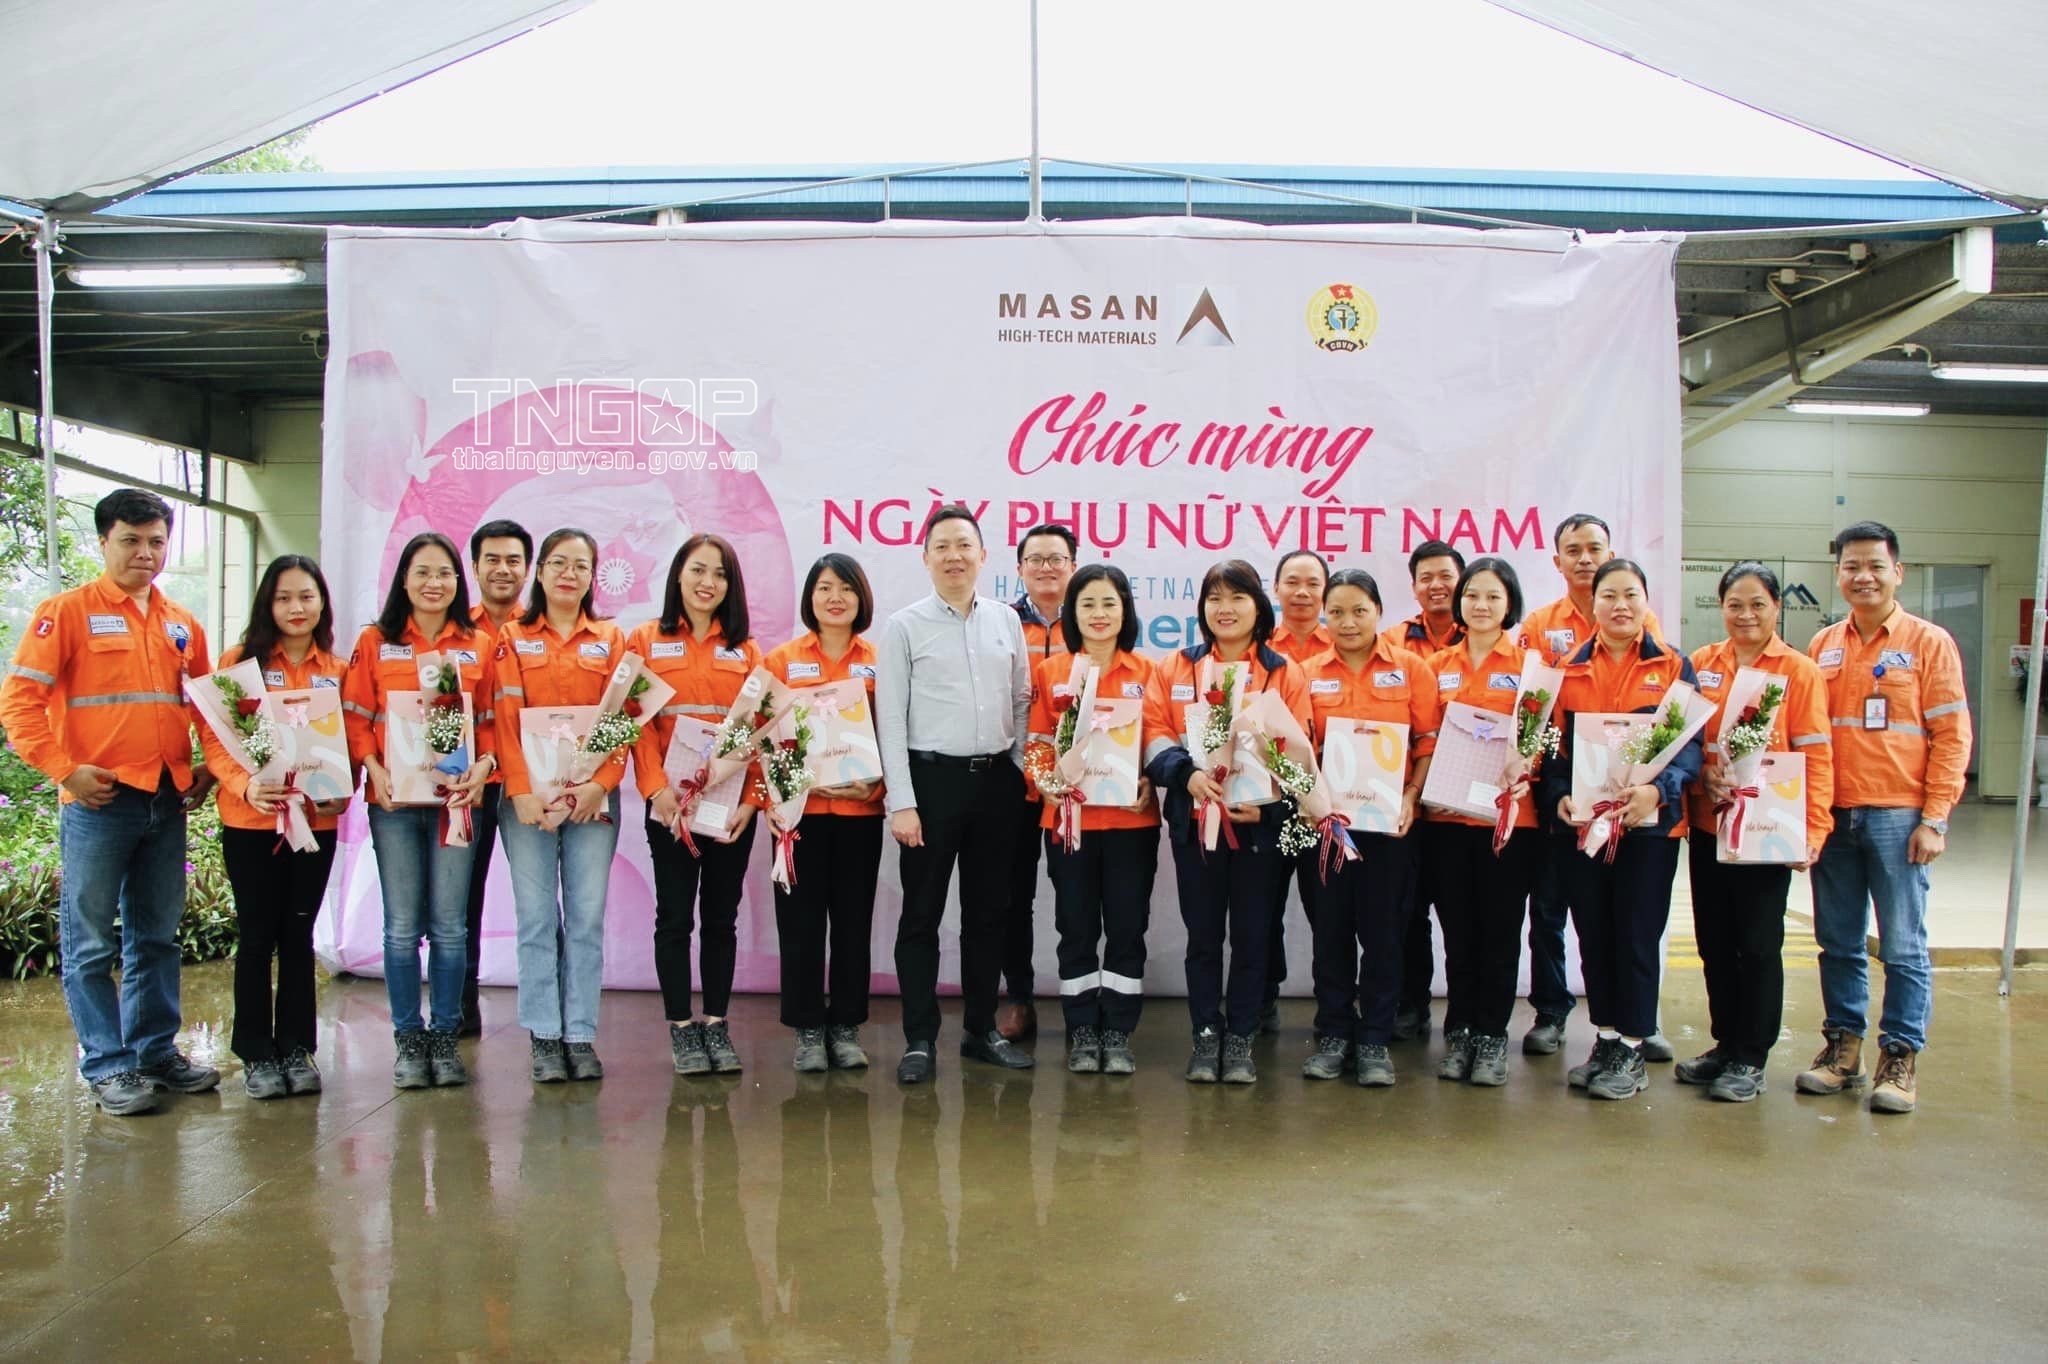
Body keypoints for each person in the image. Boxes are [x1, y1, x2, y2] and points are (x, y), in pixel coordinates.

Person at [0, 487, 219, 1115]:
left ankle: (155, 1053)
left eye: (156, 541)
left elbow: (209, 708)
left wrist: (208, 768)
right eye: (131, 540)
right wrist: (66, 772)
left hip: (165, 799)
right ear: (104, 542)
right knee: (91, 943)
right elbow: (18, 706)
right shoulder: (65, 613)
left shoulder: (182, 624)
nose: (145, 553)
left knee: (157, 937)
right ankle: (107, 1065)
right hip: (99, 804)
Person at [1798, 522, 1971, 1115]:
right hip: (1835, 815)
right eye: (1851, 566)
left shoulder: (1929, 643)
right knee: (1838, 942)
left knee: (1902, 945)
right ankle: (1842, 1049)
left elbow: (1952, 736)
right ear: (1838, 574)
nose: (1863, 577)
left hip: (1900, 817)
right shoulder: (1823, 645)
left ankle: (1898, 1057)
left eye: (1875, 565)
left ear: (1897, 572)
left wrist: (1936, 818)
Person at [876, 504, 1034, 1083]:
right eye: (941, 546)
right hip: (930, 785)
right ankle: (920, 1039)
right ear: (925, 558)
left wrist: (1017, 769)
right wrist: (902, 801)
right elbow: (890, 719)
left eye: (964, 545)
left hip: (996, 783)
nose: (954, 556)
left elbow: (1020, 699)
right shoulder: (904, 627)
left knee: (989, 914)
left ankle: (980, 1030)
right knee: (921, 915)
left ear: (983, 555)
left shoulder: (1006, 621)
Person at [1143, 559, 1313, 1084]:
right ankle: (1205, 1035)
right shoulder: (1175, 667)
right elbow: (1154, 733)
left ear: (1258, 606)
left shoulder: (1284, 673)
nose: (1226, 608)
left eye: (1237, 597)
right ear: (1202, 608)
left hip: (1260, 829)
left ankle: (1240, 1038)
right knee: (1203, 937)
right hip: (1195, 824)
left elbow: (1300, 750)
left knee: (1253, 935)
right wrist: (1187, 774)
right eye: (1215, 597)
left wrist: (1268, 803)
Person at [1542, 559, 1702, 1102]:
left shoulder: (1673, 666)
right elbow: (1554, 752)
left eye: (1630, 594)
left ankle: (1633, 1045)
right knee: (1594, 933)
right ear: (1593, 604)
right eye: (1608, 595)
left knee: (1636, 935)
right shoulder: (1568, 670)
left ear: (1645, 600)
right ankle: (1607, 1037)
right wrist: (1558, 796)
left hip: (1648, 830)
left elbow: (1690, 748)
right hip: (1586, 828)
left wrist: (1660, 791)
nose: (1620, 605)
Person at [343, 532, 494, 1090]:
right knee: (402, 928)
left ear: (459, 581)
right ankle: (409, 1040)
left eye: (445, 573)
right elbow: (355, 716)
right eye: (423, 572)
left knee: (451, 928)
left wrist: (486, 765)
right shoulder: (375, 642)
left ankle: (445, 1039)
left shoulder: (479, 645)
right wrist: (372, 766)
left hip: (456, 803)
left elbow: (492, 722)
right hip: (396, 805)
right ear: (404, 579)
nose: (434, 583)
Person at [1515, 513, 1668, 1058]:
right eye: (1573, 550)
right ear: (1557, 560)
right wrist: (1553, 790)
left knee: (1631, 923)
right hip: (1565, 802)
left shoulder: (1651, 632)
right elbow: (1534, 715)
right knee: (1551, 910)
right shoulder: (1540, 626)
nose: (1584, 558)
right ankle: (1553, 1011)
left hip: (1634, 810)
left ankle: (1636, 1024)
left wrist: (1655, 787)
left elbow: (1667, 725)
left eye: (1594, 548)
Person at [200, 556, 352, 1100]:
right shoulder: (238, 663)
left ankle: (295, 1047)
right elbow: (214, 736)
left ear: (322, 603)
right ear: (268, 603)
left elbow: (352, 738)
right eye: (284, 597)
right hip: (251, 822)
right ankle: (256, 1053)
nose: (296, 608)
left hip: (317, 822)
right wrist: (245, 786)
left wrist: (344, 785)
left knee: (298, 934)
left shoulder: (337, 669)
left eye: (306, 596)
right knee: (257, 934)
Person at [1681, 562, 1834, 1102]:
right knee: (1714, 943)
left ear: (1776, 607)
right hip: (1710, 825)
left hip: (1767, 829)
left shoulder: (1799, 671)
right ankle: (1725, 1044)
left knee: (1759, 944)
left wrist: (1814, 828)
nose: (1745, 615)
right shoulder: (1702, 664)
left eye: (1757, 605)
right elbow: (1683, 742)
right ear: (1721, 607)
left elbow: (1817, 753)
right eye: (1735, 605)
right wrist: (1703, 774)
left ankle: (1751, 1056)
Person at [490, 528, 629, 1083]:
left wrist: (603, 783)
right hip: (528, 803)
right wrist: (520, 791)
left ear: (593, 576)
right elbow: (504, 718)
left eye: (581, 565)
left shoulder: (611, 639)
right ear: (541, 572)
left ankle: (580, 1034)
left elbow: (623, 719)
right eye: (559, 563)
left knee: (586, 919)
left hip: (593, 802)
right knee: (536, 918)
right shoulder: (513, 636)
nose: (569, 574)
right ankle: (545, 1035)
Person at [628, 533, 764, 1076]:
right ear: (678, 576)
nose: (708, 583)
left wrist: (751, 803)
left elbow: (762, 732)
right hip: (671, 808)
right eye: (698, 570)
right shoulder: (645, 639)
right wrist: (655, 789)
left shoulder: (746, 650)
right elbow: (635, 724)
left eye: (720, 574)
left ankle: (716, 1023)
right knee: (674, 919)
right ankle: (682, 1027)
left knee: (721, 919)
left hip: (728, 810)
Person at [1300, 569, 1438, 1087]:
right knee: (1330, 933)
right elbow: (1296, 747)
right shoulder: (1306, 673)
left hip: (1389, 830)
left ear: (1379, 611)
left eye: (1359, 610)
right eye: (1336, 612)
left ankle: (1376, 1038)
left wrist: (1411, 796)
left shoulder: (1411, 669)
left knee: (1384, 935)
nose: (1348, 622)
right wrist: (1310, 798)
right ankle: (1333, 1033)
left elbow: (1427, 742)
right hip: (1328, 830)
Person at [1023, 564, 1161, 1074]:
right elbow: (1037, 743)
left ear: (1125, 611)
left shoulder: (1148, 672)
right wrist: (1045, 782)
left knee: (1127, 927)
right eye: (1087, 604)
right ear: (1071, 614)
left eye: (1109, 603)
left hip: (1131, 825)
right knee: (1075, 926)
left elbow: (1160, 742)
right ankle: (1082, 1027)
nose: (1099, 614)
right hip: (1067, 823)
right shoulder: (1051, 672)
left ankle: (1118, 1031)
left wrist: (1150, 782)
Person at [1418, 558, 1546, 1087]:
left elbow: (1543, 741)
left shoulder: (1531, 667)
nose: (1481, 605)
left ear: (1509, 603)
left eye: (1493, 596)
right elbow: (1424, 736)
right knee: (1458, 932)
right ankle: (1461, 1032)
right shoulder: (1435, 666)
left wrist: (1527, 767)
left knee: (1499, 933)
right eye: (1472, 595)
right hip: (1446, 821)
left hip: (1508, 824)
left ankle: (1492, 1037)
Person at [762, 552, 886, 1072]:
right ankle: (808, 1029)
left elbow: (895, 732)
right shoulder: (781, 661)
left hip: (861, 815)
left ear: (862, 598)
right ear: (810, 597)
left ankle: (847, 1027)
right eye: (825, 588)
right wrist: (774, 798)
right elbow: (761, 735)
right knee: (801, 925)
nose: (836, 598)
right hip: (800, 818)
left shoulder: (880, 660)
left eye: (847, 588)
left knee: (854, 923)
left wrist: (876, 788)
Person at [1381, 540, 1464, 1041]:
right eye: (1426, 577)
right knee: (1406, 912)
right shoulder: (1393, 642)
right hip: (1404, 805)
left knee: (1460, 916)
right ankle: (1411, 1004)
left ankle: (1464, 1016)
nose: (1437, 585)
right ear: (1413, 587)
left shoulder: (1487, 637)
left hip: (1461, 808)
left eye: (1446, 576)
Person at [1000, 522, 1077, 1041]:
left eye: (1056, 559)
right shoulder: (1001, 622)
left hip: (1075, 783)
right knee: (1011, 897)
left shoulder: (1092, 619)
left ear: (1073, 565)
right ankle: (1019, 999)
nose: (1046, 568)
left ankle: (1081, 1006)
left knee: (1075, 894)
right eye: (1036, 559)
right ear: (1020, 568)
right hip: (1011, 780)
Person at [457, 518, 530, 1036]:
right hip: (471, 786)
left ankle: (549, 1019)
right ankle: (461, 1008)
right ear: (475, 566)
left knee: (538, 901)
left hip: (530, 784)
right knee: (462, 899)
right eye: (493, 560)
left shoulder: (540, 629)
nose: (503, 569)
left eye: (513, 560)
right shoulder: (456, 630)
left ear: (528, 569)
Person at [1261, 549, 1331, 1033]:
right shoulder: (1262, 649)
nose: (1302, 592)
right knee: (1263, 906)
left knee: (1327, 908)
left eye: (1313, 583)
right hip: (1268, 797)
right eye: (1292, 582)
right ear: (1276, 589)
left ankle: (1333, 1009)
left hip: (1328, 801)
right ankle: (1264, 996)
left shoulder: (1345, 641)